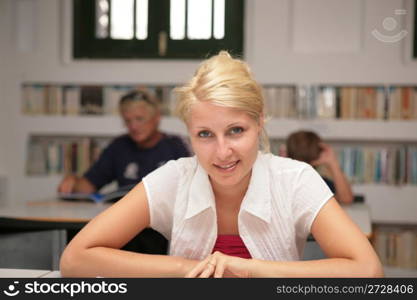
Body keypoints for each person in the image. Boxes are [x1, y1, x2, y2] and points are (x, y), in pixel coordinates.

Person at [60, 51, 383, 278]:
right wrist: (188, 268)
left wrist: (251, 269)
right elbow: (74, 260)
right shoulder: (174, 178)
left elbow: (368, 270)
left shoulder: (295, 179)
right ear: (188, 135)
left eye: (236, 130)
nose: (222, 152)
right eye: (205, 134)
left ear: (259, 123)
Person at [57, 88, 191, 195]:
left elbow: (192, 190)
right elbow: (88, 186)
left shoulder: (176, 146)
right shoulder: (119, 147)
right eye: (128, 121)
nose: (133, 126)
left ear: (157, 118)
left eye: (139, 119)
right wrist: (73, 182)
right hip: (129, 223)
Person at [285, 130, 354, 204]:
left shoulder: (322, 183)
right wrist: (333, 162)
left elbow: (346, 199)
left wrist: (333, 162)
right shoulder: (321, 185)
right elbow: (346, 199)